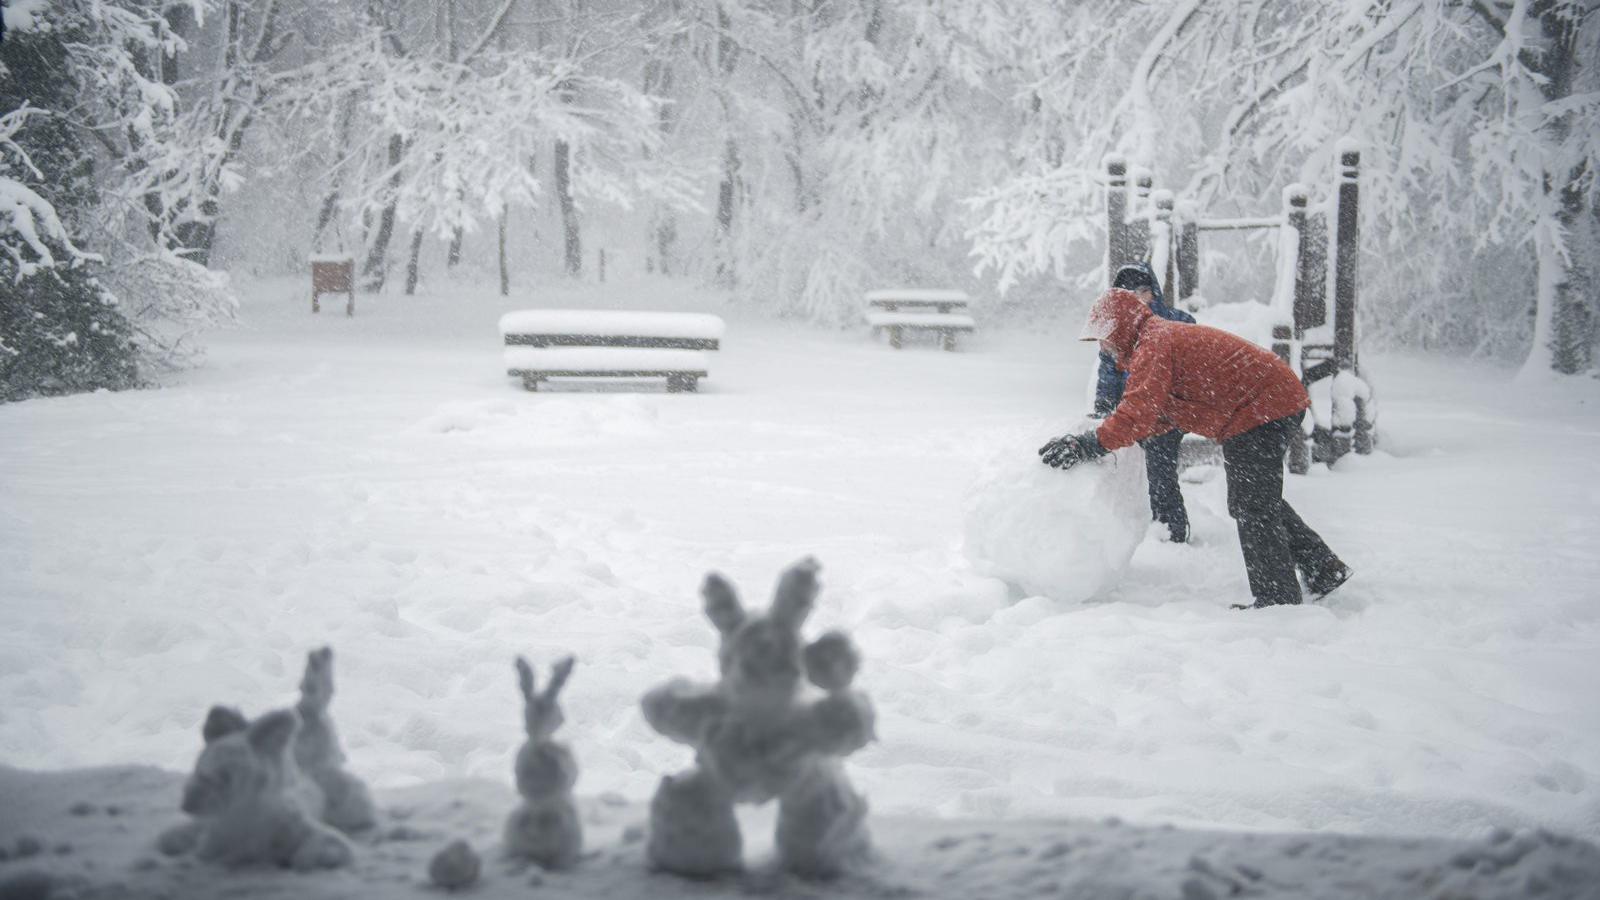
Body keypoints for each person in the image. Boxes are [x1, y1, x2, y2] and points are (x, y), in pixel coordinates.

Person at [1039, 287, 1353, 608]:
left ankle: (1278, 598)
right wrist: (1138, 435)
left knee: (1252, 505)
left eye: (1105, 337)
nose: (1104, 347)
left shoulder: (1153, 343)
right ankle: (1322, 568)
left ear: (1121, 326)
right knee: (1258, 500)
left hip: (1262, 407)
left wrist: (1088, 445)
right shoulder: (1154, 340)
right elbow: (1171, 406)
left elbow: (1140, 409)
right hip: (1265, 404)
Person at [1095, 262, 1194, 543]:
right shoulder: (1116, 329)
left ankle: (1171, 527)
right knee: (1138, 465)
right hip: (1135, 408)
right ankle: (1147, 521)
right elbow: (1108, 372)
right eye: (1129, 293)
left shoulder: (1177, 321)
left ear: (1154, 292)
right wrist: (1104, 405)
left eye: (1143, 291)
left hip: (1169, 409)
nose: (1137, 299)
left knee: (1160, 466)